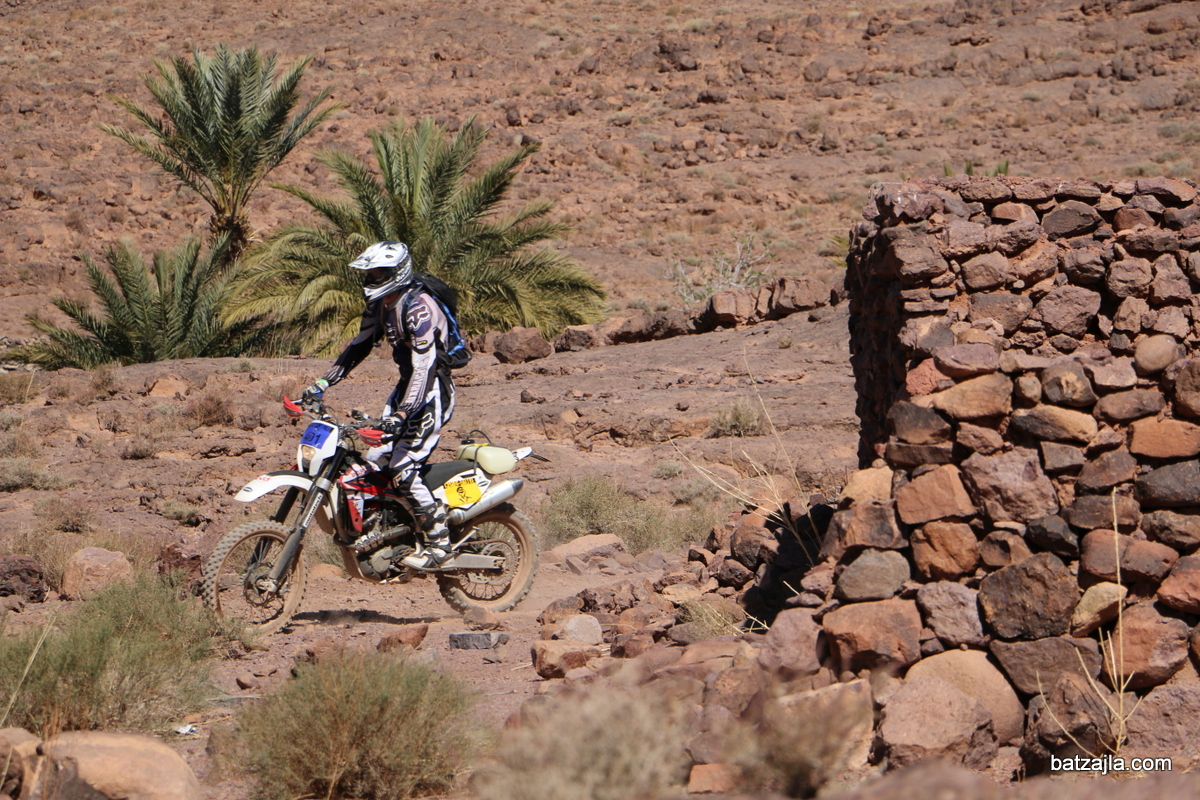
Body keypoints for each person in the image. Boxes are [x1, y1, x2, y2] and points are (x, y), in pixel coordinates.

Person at [302, 241, 456, 570]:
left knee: (402, 466)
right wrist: (321, 385)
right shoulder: (379, 305)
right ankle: (393, 534)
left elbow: (425, 367)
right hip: (406, 389)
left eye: (378, 273)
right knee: (373, 461)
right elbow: (358, 347)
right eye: (370, 273)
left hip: (432, 392)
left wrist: (402, 414)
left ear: (397, 272)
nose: (371, 279)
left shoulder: (418, 307)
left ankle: (440, 543)